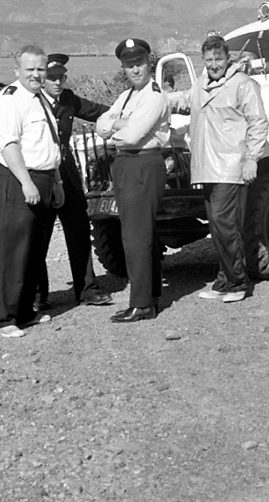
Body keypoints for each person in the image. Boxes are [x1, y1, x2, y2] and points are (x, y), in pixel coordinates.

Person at [170, 34, 268, 303]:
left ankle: (237, 282)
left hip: (231, 166)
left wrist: (252, 158)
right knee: (217, 226)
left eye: (218, 59)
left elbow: (258, 122)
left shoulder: (242, 84)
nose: (214, 64)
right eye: (209, 60)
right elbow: (182, 101)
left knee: (227, 225)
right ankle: (225, 280)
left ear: (228, 58)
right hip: (207, 166)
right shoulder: (200, 85)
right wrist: (155, 100)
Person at [0, 45, 62, 338]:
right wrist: (26, 182)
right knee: (13, 250)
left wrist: (56, 182)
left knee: (34, 250)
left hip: (43, 179)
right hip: (17, 178)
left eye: (40, 69)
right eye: (29, 69)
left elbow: (49, 144)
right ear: (17, 70)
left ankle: (24, 311)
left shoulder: (40, 98)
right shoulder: (10, 99)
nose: (36, 74)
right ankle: (4, 319)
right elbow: (8, 144)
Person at [95, 38, 170, 323]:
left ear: (148, 63)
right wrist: (118, 124)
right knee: (138, 233)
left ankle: (141, 304)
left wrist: (115, 128)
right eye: (129, 65)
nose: (135, 69)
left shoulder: (154, 96)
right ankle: (150, 297)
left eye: (138, 63)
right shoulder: (127, 96)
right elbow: (101, 122)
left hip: (142, 163)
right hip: (127, 164)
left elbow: (132, 136)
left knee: (136, 237)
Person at [37, 53, 112, 308]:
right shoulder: (30, 101)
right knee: (40, 233)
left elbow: (99, 112)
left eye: (61, 77)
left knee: (78, 229)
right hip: (43, 171)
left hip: (66, 170)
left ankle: (87, 289)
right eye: (52, 78)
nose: (58, 82)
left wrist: (129, 113)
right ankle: (37, 296)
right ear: (42, 79)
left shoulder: (68, 99)